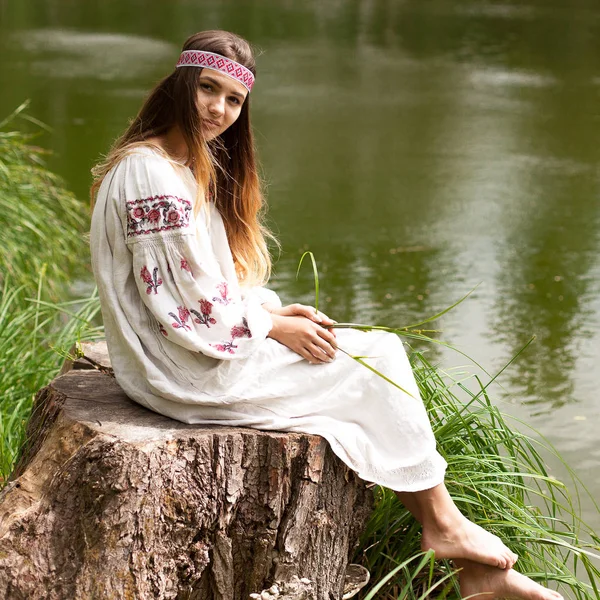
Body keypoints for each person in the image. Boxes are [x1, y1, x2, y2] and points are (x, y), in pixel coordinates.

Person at [89, 30, 562, 600]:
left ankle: (476, 574)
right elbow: (184, 305)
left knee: (357, 379)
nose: (218, 108)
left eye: (234, 100)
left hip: (193, 350)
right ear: (181, 85)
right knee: (379, 357)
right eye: (207, 89)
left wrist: (266, 309)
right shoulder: (150, 173)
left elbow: (201, 289)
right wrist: (269, 326)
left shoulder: (184, 167)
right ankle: (444, 527)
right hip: (178, 368)